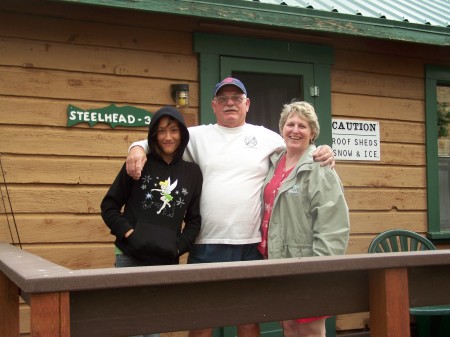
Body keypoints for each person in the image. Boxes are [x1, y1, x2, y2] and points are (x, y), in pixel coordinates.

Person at [125, 77, 335, 337]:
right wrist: (136, 148)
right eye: (223, 99)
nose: (230, 103)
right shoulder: (197, 136)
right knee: (201, 321)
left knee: (248, 321)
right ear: (213, 105)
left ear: (247, 104)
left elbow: (300, 145)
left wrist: (324, 149)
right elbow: (158, 142)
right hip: (205, 243)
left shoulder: (265, 137)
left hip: (250, 244)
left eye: (236, 98)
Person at [101, 106, 203, 337]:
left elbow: (194, 220)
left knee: (153, 328)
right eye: (162, 131)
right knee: (131, 327)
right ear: (153, 135)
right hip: (129, 257)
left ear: (182, 134)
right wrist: (130, 234)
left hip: (164, 260)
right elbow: (109, 206)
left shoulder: (192, 173)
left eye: (174, 130)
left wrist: (178, 247)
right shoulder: (138, 163)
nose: (168, 137)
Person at [258, 101, 350, 337]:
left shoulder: (319, 167)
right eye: (290, 124)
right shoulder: (275, 161)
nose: (295, 130)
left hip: (307, 263)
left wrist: (319, 269)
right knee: (289, 326)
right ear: (282, 129)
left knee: (310, 330)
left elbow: (334, 225)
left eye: (302, 125)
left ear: (312, 133)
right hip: (277, 260)